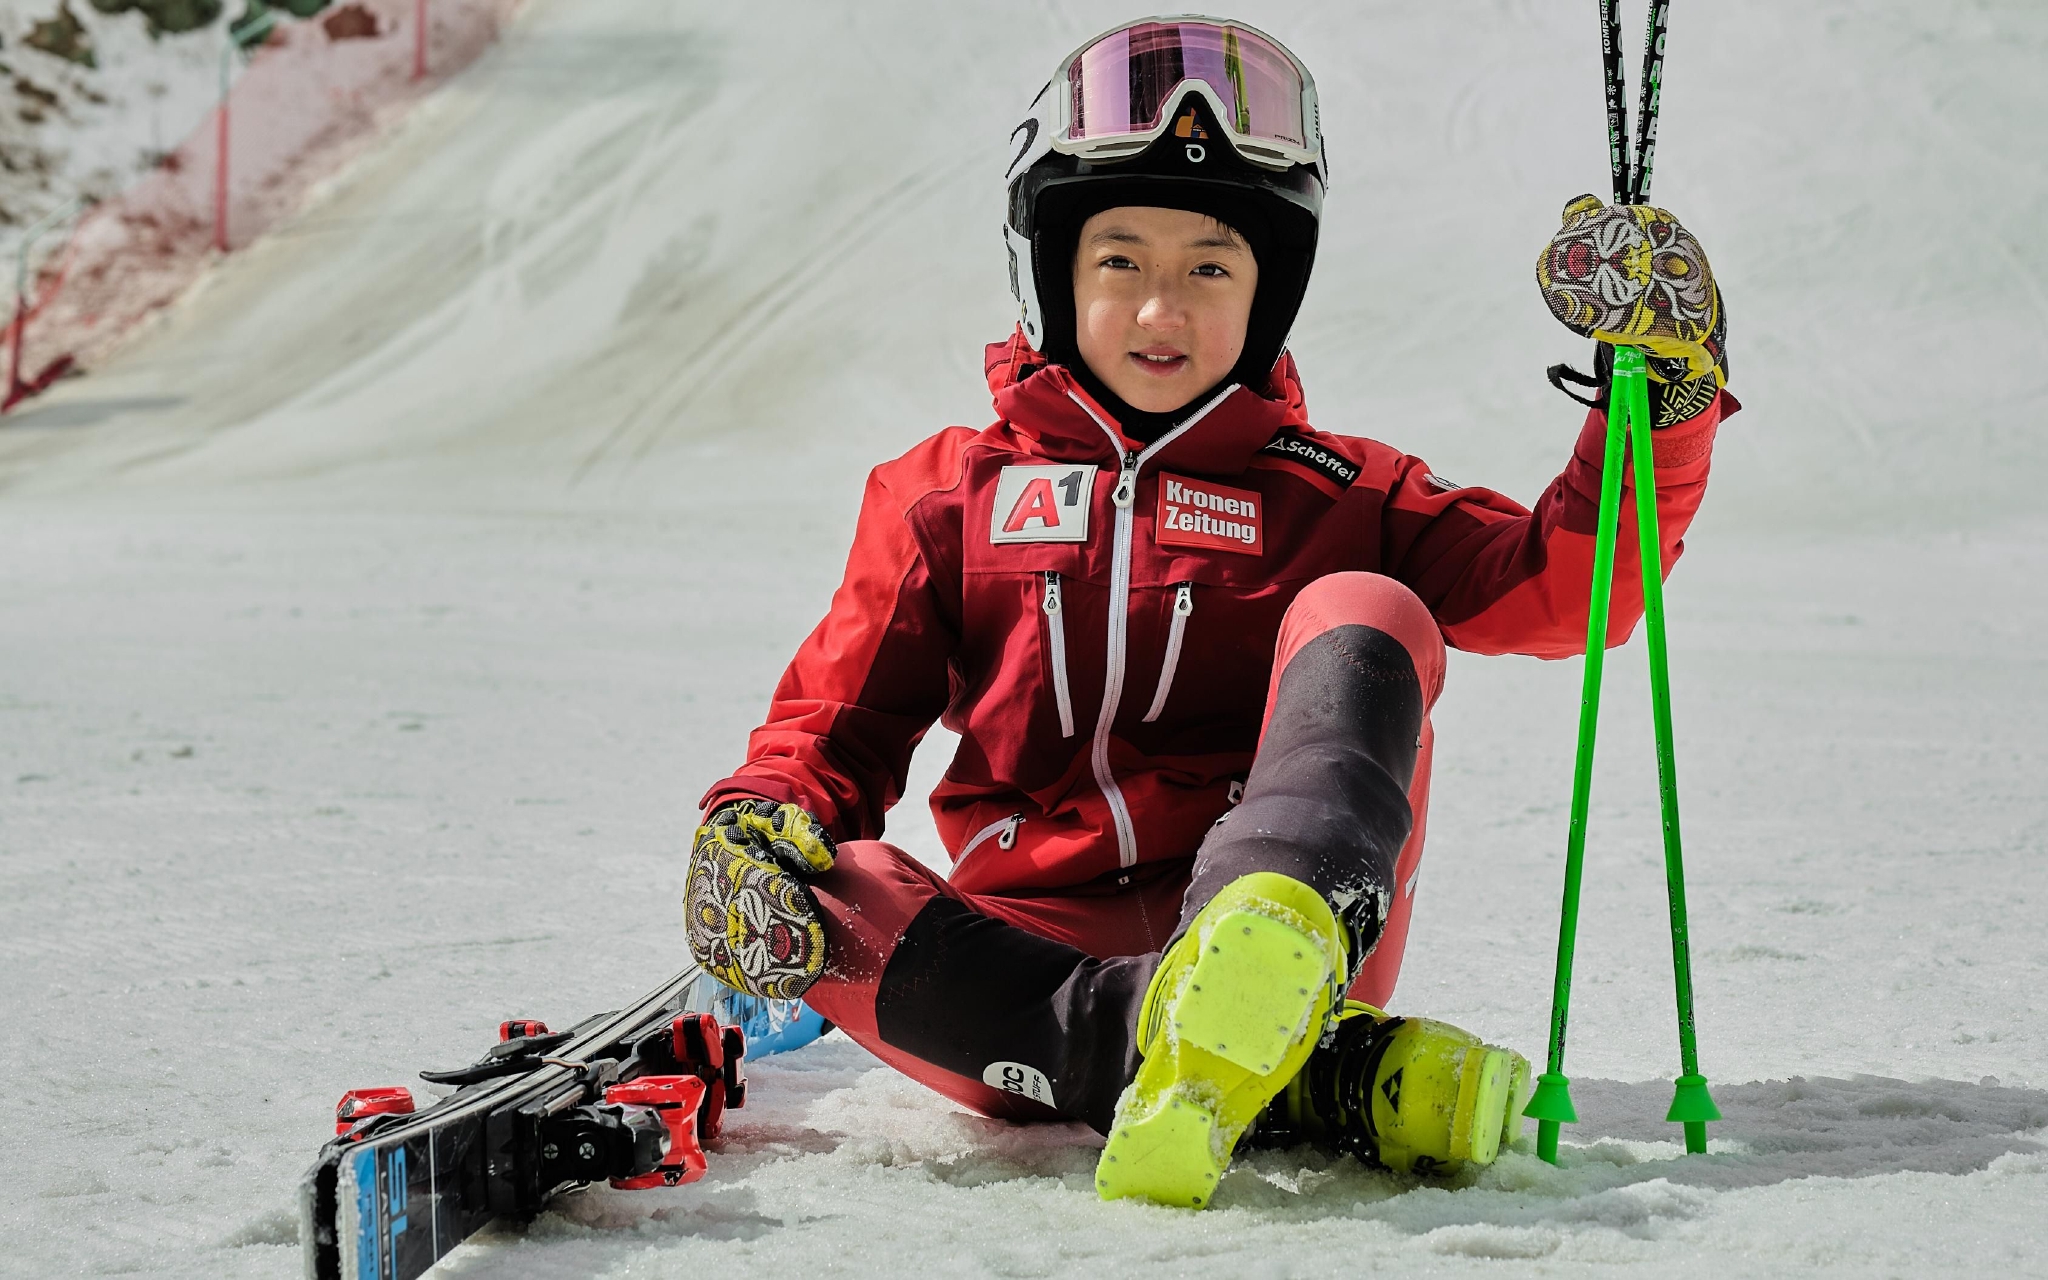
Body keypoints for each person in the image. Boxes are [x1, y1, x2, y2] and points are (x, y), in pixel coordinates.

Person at [684, 16, 1733, 1209]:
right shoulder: (947, 494)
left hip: (1281, 939)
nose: (1158, 310)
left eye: (1209, 269)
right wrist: (763, 824)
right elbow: (836, 727)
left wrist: (1669, 387)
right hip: (1019, 967)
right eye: (1119, 261)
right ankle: (1258, 1072)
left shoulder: (1340, 491)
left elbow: (1568, 585)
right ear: (1056, 277)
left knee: (1364, 602)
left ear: (1267, 290)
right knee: (829, 889)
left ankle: (1258, 969)